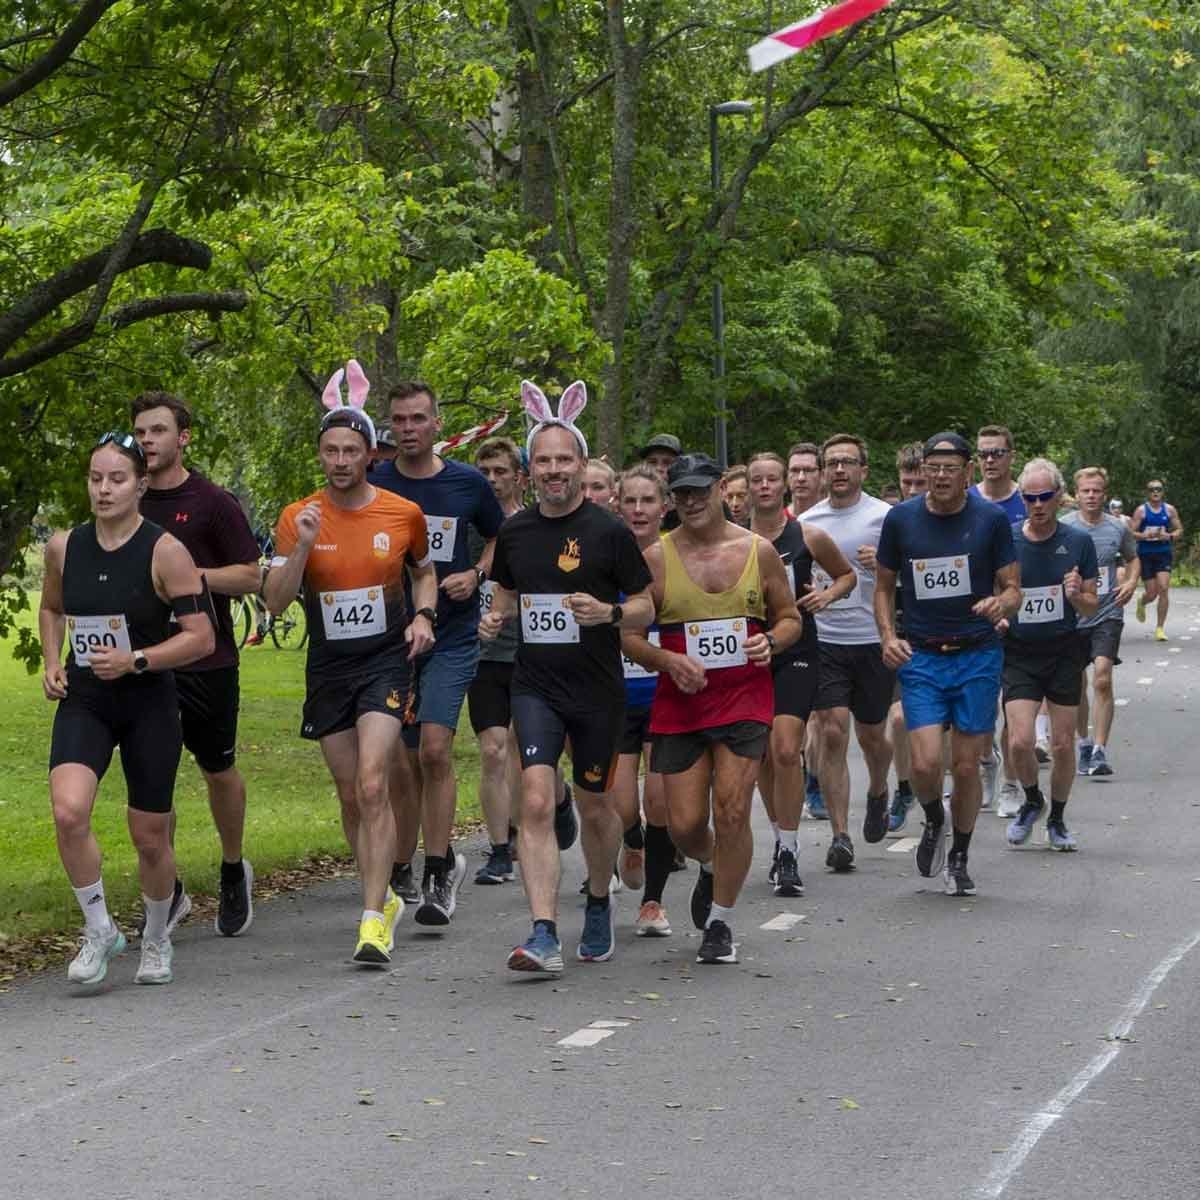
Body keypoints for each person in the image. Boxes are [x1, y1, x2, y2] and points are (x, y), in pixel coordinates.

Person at [266, 363, 437, 964]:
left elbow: (423, 571)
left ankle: (371, 919)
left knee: (373, 780)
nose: (340, 460)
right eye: (330, 451)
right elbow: (276, 599)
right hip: (329, 668)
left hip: (386, 661)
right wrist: (305, 545)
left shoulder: (400, 512)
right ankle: (383, 893)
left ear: (370, 455)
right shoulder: (297, 516)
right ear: (320, 456)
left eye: (351, 451)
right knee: (348, 793)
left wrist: (424, 616)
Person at [481, 381, 654, 975]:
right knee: (532, 796)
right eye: (544, 460)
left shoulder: (609, 533)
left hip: (596, 691)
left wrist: (608, 613)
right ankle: (543, 931)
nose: (554, 470)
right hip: (535, 685)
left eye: (565, 459)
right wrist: (497, 613)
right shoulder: (516, 532)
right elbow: (506, 586)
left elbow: (647, 606)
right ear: (532, 469)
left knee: (596, 804)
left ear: (581, 464)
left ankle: (599, 900)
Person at [40, 432, 215, 987]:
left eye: (117, 479)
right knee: (69, 812)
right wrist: (52, 660)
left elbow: (201, 637)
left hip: (147, 700)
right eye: (96, 478)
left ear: (141, 484)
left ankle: (158, 934)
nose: (104, 489)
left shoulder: (166, 551)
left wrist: (138, 659)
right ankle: (99, 930)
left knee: (149, 835)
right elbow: (50, 607)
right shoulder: (64, 547)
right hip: (87, 697)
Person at [624, 453, 801, 964]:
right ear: (672, 499)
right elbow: (629, 637)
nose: (692, 501)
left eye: (701, 490)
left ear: (723, 489)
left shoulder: (759, 551)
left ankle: (720, 922)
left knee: (731, 809)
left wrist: (772, 641)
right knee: (682, 825)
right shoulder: (656, 559)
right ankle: (709, 864)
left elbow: (790, 618)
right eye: (681, 493)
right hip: (680, 704)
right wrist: (666, 660)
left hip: (745, 696)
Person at [370, 378, 506, 925]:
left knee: (433, 750)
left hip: (451, 634)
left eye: (417, 419)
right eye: (399, 420)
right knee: (401, 763)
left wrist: (475, 574)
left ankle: (436, 869)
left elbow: (500, 538)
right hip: (392, 639)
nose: (407, 429)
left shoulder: (468, 484)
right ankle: (404, 860)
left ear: (437, 425)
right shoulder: (374, 482)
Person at [133, 391, 261, 938]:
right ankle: (170, 890)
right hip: (145, 661)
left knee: (216, 768)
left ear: (183, 437)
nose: (147, 442)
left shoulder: (212, 502)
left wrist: (192, 578)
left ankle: (233, 868)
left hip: (208, 659)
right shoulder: (125, 499)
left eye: (158, 431)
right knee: (150, 776)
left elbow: (252, 576)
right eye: (140, 433)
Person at [875, 432, 1020, 896]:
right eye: (932, 467)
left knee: (965, 764)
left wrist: (1001, 604)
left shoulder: (991, 520)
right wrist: (888, 637)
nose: (939, 476)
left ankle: (959, 854)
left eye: (950, 468)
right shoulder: (901, 520)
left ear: (968, 472)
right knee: (924, 763)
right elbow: (882, 587)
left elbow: (1013, 587)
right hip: (922, 655)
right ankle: (934, 818)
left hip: (977, 654)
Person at [747, 453, 854, 896]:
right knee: (763, 758)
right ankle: (778, 838)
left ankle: (789, 852)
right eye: (758, 480)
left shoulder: (808, 535)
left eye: (774, 479)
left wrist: (826, 596)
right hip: (748, 653)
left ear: (786, 486)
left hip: (797, 650)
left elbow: (847, 576)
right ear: (747, 487)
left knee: (787, 749)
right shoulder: (735, 541)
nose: (767, 486)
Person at [802, 434, 895, 872]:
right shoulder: (807, 521)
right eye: (832, 463)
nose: (839, 470)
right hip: (824, 640)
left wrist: (883, 565)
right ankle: (840, 835)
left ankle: (878, 789)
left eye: (847, 463)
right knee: (832, 730)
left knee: (872, 736)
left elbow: (908, 577)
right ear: (823, 472)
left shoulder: (885, 517)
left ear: (863, 471)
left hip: (872, 639)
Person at [1002, 459, 1099, 851]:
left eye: (1045, 496)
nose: (1037, 504)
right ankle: (1032, 800)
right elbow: (994, 592)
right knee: (1020, 742)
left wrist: (1077, 595)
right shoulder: (1007, 540)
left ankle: (1057, 818)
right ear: (1022, 498)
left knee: (1062, 744)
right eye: (1030, 497)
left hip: (1063, 651)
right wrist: (1000, 612)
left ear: (1059, 496)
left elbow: (1093, 606)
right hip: (1020, 651)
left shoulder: (1078, 542)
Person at [613, 465, 677, 935]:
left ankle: (653, 902)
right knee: (620, 805)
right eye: (630, 501)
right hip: (613, 696)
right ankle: (630, 841)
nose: (638, 509)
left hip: (664, 696)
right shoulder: (604, 554)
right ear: (618, 505)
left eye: (648, 501)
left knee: (659, 802)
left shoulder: (679, 558)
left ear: (664, 506)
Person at [468, 436, 527, 884]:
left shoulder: (534, 526)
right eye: (484, 473)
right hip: (484, 655)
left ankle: (547, 812)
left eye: (500, 471)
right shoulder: (468, 530)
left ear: (518, 476)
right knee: (492, 749)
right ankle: (500, 849)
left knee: (524, 753)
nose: (492, 481)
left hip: (531, 654)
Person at [1063, 468, 1140, 778]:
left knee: (1103, 677)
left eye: (1096, 491)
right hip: (1073, 615)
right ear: (1077, 494)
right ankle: (1083, 743)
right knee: (1077, 684)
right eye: (1086, 491)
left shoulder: (1117, 528)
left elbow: (1133, 558)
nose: (1091, 496)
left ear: (1104, 495)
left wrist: (1132, 582)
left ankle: (1099, 750)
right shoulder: (1064, 527)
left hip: (1107, 612)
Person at [971, 424, 1024, 816]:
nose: (990, 460)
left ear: (1012, 456)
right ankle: (987, 762)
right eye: (984, 454)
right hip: (978, 619)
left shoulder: (1030, 500)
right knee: (984, 712)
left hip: (1023, 618)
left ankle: (1010, 784)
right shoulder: (965, 501)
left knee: (1014, 707)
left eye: (998, 453)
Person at [784, 441, 827, 817]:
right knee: (801, 724)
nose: (800, 477)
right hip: (793, 637)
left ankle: (814, 779)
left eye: (808, 470)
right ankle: (806, 783)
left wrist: (828, 594)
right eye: (794, 471)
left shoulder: (838, 519)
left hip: (844, 635)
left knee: (830, 725)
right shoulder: (773, 521)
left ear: (822, 475)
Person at [887, 443, 928, 832]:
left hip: (942, 634)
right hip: (899, 631)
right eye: (907, 482)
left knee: (945, 737)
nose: (913, 489)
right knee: (899, 719)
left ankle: (945, 788)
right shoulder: (891, 520)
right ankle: (903, 788)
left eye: (920, 481)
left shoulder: (946, 517)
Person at [1131, 478, 1182, 642]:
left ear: (1162, 492)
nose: (1155, 492)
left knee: (1164, 588)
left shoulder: (1169, 510)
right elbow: (1131, 532)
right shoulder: (1141, 511)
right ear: (1148, 493)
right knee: (1152, 593)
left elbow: (1179, 529)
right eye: (1152, 489)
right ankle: (1143, 601)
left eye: (1158, 489)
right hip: (1146, 554)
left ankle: (1160, 628)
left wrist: (1169, 536)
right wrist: (1145, 535)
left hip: (1163, 553)